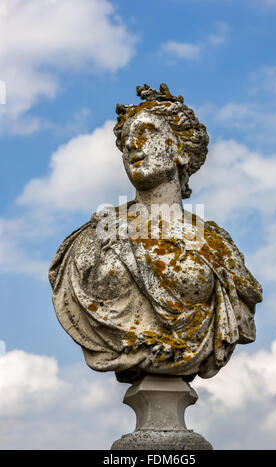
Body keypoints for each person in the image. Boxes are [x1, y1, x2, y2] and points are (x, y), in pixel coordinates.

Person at [49, 83, 262, 383]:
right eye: (125, 142)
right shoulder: (93, 239)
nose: (133, 145)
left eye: (147, 133)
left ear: (180, 151)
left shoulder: (219, 247)